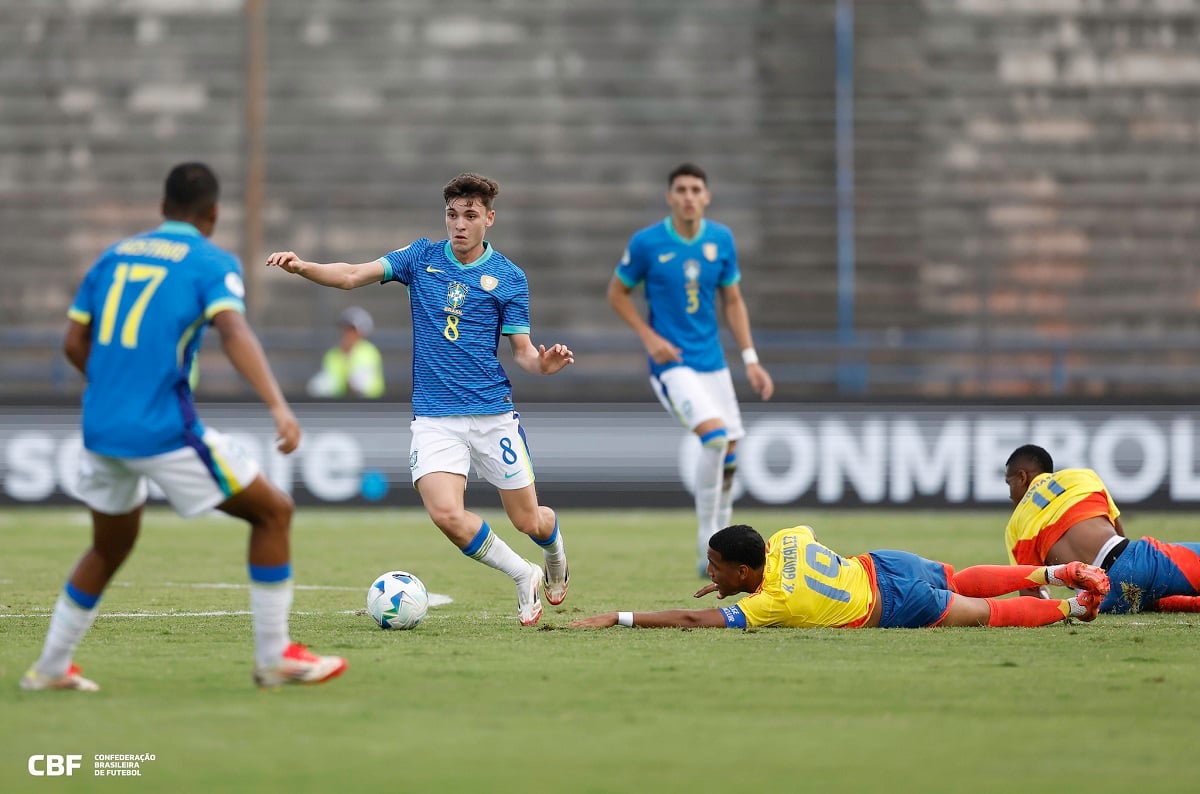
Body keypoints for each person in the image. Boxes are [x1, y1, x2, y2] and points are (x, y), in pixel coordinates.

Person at [21, 162, 346, 692]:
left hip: (102, 426)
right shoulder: (208, 261)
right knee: (273, 513)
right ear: (213, 213)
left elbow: (73, 344)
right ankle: (274, 657)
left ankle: (51, 668)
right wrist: (279, 407)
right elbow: (233, 330)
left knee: (109, 546)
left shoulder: (114, 256)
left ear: (162, 207)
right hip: (163, 427)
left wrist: (112, 388)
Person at [266, 172, 573, 626]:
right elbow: (352, 275)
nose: (459, 224)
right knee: (446, 513)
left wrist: (542, 365)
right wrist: (303, 267)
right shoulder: (420, 257)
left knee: (530, 521)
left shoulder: (508, 277)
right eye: (452, 215)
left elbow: (523, 352)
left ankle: (554, 554)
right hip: (435, 418)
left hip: (492, 416)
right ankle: (522, 573)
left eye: (470, 216)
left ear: (489, 219)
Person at [607, 163, 775, 575]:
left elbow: (733, 301)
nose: (688, 196)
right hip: (673, 366)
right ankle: (708, 545)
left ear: (706, 196)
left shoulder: (721, 239)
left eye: (695, 189)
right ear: (670, 196)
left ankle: (724, 546)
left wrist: (750, 359)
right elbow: (616, 293)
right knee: (715, 437)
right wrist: (649, 338)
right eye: (680, 189)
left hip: (713, 364)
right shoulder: (648, 243)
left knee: (731, 450)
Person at [569, 523, 1108, 629]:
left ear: (742, 569)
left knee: (981, 612)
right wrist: (735, 578)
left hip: (891, 607)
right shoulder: (786, 540)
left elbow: (691, 616)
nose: (709, 572)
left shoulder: (769, 604)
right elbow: (798, 535)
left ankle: (1071, 607)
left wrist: (617, 617)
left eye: (716, 566)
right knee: (963, 576)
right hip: (882, 563)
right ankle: (1058, 571)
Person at [1003, 444, 1200, 613]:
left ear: (1022, 477)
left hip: (1097, 601)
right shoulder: (1081, 475)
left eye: (1008, 483)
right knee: (1157, 579)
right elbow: (1119, 532)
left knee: (1148, 599)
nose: (1010, 495)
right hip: (1126, 561)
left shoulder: (1015, 524)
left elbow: (1031, 594)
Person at [306, 305, 385, 398]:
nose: (347, 334)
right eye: (345, 329)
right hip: (341, 407)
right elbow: (323, 385)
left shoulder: (368, 353)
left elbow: (360, 385)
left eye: (351, 330)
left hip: (370, 407)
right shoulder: (332, 354)